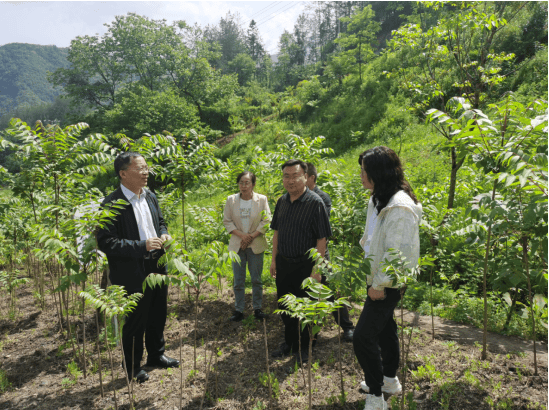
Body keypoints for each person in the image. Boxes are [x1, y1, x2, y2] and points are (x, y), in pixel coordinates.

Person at [97, 152, 179, 384]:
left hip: (157, 262)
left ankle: (157, 355)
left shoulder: (150, 196)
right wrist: (141, 246)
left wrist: (163, 233)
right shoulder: (111, 204)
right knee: (135, 318)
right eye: (140, 169)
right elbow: (106, 242)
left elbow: (159, 221)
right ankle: (131, 367)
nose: (146, 173)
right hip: (131, 268)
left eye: (146, 168)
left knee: (157, 311)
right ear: (123, 174)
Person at [353, 146, 422, 410]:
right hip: (375, 278)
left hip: (386, 282)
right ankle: (390, 379)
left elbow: (398, 253)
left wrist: (380, 284)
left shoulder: (399, 207)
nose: (361, 175)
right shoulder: (378, 198)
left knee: (362, 337)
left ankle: (376, 396)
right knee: (385, 329)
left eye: (365, 170)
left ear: (378, 173)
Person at [269, 159, 332, 365]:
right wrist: (273, 260)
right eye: (286, 176)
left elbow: (322, 238)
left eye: (295, 176)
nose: (291, 181)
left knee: (306, 306)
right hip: (284, 263)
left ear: (306, 177)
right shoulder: (282, 202)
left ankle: (306, 346)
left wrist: (317, 269)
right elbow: (277, 232)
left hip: (306, 265)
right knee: (285, 304)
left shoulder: (315, 203)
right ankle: (290, 342)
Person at [305, 162, 355, 342]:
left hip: (319, 254)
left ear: (311, 178)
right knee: (306, 293)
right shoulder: (293, 197)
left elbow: (318, 227)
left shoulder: (322, 198)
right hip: (300, 255)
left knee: (330, 290)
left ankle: (347, 327)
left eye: (302, 176)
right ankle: (311, 331)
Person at [223, 171, 271, 322]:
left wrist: (251, 236)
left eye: (247, 183)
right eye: (241, 183)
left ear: (253, 184)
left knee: (256, 279)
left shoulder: (261, 200)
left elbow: (266, 219)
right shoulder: (231, 200)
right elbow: (227, 221)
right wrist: (243, 236)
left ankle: (257, 308)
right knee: (238, 279)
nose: (243, 186)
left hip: (255, 244)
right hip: (237, 244)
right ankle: (239, 310)